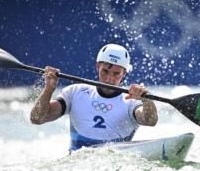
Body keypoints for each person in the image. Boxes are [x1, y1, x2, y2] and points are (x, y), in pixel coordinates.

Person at [30, 43, 158, 151]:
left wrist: (147, 101)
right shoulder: (75, 92)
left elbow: (150, 121)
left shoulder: (131, 101)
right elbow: (36, 118)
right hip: (76, 165)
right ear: (97, 67)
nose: (109, 79)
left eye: (116, 74)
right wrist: (48, 89)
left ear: (124, 73)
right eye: (105, 71)